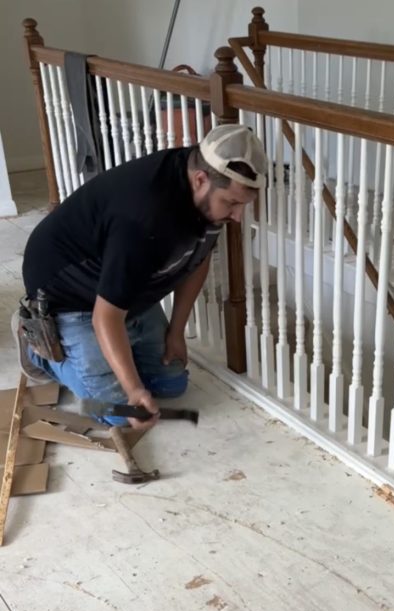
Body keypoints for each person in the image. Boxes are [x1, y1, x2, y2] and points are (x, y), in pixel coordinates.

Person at [14, 124, 266, 425]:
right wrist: (133, 391)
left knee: (172, 385)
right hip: (71, 295)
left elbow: (198, 259)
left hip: (129, 289)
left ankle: (116, 349)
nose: (238, 216)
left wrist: (176, 332)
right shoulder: (145, 217)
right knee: (120, 414)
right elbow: (104, 316)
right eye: (233, 203)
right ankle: (37, 348)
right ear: (200, 180)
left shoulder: (206, 186)